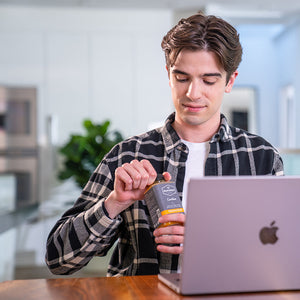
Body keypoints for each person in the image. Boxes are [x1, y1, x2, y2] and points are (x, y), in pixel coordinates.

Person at [45, 12, 283, 277]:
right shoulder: (128, 156)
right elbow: (59, 259)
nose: (193, 93)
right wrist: (114, 203)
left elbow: (281, 255)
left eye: (208, 80)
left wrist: (211, 239)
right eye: (182, 78)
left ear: (230, 81)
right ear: (168, 75)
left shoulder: (261, 157)